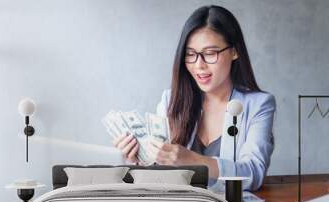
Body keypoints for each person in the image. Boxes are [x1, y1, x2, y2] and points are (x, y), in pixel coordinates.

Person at [114, 5, 276, 192]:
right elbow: (159, 174)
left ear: (234, 51)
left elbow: (253, 174)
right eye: (190, 54)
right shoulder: (170, 100)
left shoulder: (259, 104)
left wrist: (192, 160)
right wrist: (137, 161)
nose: (199, 65)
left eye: (210, 54)